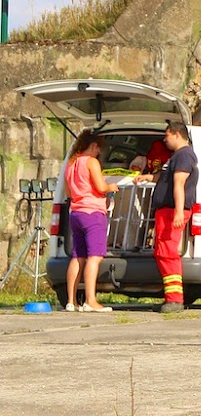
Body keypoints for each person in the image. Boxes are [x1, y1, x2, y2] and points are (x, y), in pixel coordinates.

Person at [62, 131, 116, 312]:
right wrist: (111, 187)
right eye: (98, 148)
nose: (99, 152)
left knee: (79, 256)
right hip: (93, 213)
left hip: (76, 213)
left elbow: (68, 193)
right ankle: (90, 300)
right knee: (95, 256)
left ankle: (71, 301)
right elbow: (101, 187)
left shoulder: (71, 164)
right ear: (93, 145)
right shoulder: (91, 162)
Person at [150, 120, 199, 313]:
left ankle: (175, 299)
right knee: (162, 252)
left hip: (172, 210)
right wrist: (147, 178)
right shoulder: (177, 156)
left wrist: (179, 210)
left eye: (167, 135)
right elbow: (167, 178)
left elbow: (179, 184)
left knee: (168, 252)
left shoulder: (184, 155)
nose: (164, 140)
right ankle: (171, 297)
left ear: (177, 134)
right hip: (167, 210)